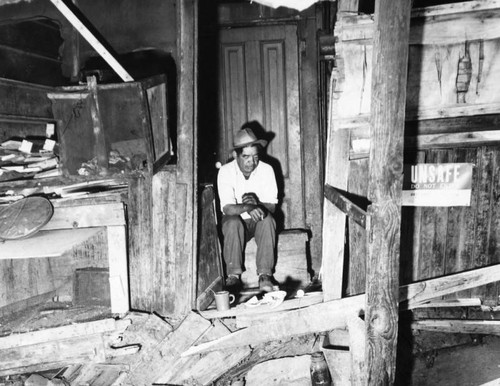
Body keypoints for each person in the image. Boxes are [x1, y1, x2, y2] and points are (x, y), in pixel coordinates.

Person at [217, 126, 278, 293]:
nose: (252, 162)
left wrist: (257, 204)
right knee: (232, 222)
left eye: (255, 156)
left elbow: (272, 205)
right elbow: (227, 208)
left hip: (257, 225)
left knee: (267, 219)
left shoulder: (267, 170)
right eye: (246, 157)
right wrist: (248, 207)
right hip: (235, 227)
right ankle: (233, 277)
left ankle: (265, 275)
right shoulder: (225, 171)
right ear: (235, 155)